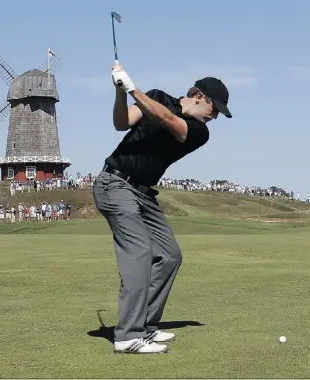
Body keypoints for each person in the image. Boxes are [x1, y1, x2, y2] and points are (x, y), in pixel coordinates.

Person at [92, 63, 232, 354]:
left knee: (170, 255)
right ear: (198, 95)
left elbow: (167, 118)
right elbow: (122, 122)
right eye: (214, 107)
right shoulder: (157, 97)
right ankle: (128, 336)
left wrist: (132, 88)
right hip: (115, 184)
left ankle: (145, 326)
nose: (214, 115)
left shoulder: (198, 131)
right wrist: (121, 93)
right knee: (140, 252)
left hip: (143, 194)